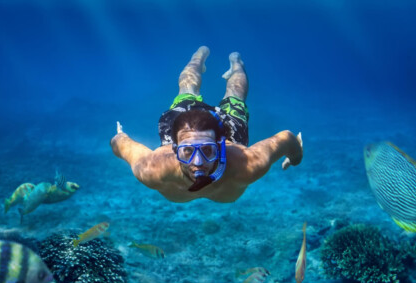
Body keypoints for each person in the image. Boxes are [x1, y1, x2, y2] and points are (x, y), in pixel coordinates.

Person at [111, 46, 303, 203]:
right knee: (187, 87)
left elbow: (286, 138)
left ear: (220, 146)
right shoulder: (152, 168)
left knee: (236, 92)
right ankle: (198, 58)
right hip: (184, 124)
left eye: (207, 150)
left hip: (227, 128)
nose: (198, 162)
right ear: (175, 148)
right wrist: (119, 136)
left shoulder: (247, 164)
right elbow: (120, 145)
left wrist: (295, 159)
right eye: (187, 151)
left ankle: (237, 63)